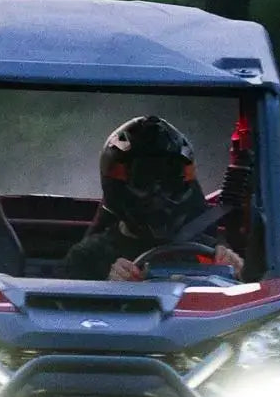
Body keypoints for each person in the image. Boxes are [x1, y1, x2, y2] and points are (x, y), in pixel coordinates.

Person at [62, 115, 245, 281]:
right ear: (117, 184)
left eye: (169, 177)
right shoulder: (88, 257)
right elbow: (63, 313)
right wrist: (108, 290)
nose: (158, 191)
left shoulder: (212, 252)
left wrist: (236, 276)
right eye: (145, 178)